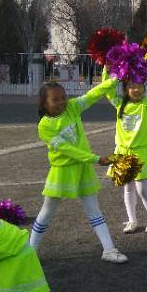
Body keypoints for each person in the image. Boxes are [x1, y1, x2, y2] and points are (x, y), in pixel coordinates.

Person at [30, 81, 128, 263]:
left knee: (94, 209)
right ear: (44, 103)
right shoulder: (44, 126)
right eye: (55, 99)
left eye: (63, 97)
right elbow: (66, 149)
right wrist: (96, 159)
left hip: (83, 168)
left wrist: (115, 79)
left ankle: (109, 249)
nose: (61, 102)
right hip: (62, 171)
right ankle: (30, 251)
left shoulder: (72, 107)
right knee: (47, 211)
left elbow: (92, 95)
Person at [103, 67, 147, 234]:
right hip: (123, 152)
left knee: (142, 188)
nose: (136, 89)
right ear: (125, 89)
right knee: (128, 188)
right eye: (131, 86)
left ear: (144, 87)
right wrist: (106, 69)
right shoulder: (119, 103)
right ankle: (132, 221)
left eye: (139, 86)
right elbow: (107, 89)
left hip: (140, 152)